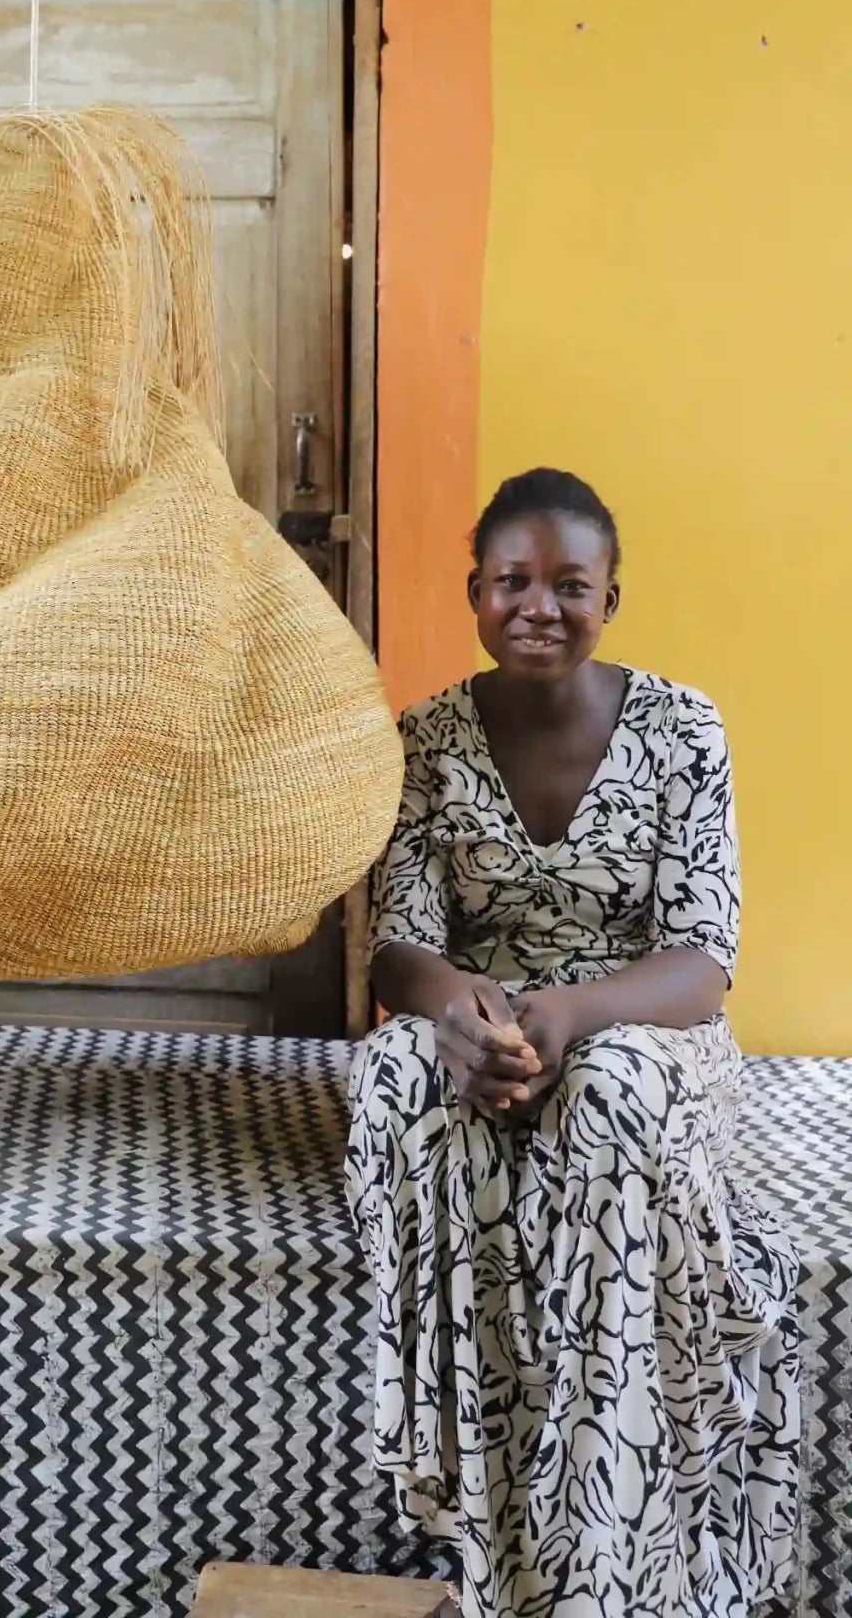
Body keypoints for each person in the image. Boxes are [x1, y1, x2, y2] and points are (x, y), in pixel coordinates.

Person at [347, 469, 801, 1618]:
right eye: (513, 581)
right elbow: (396, 948)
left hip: (639, 1024)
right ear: (475, 592)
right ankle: (490, 1526)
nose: (539, 604)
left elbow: (702, 961)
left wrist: (566, 1013)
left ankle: (616, 1537)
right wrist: (462, 1014)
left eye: (569, 583)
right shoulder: (425, 740)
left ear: (613, 597)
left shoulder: (684, 728)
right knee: (406, 1077)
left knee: (608, 1096)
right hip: (481, 1019)